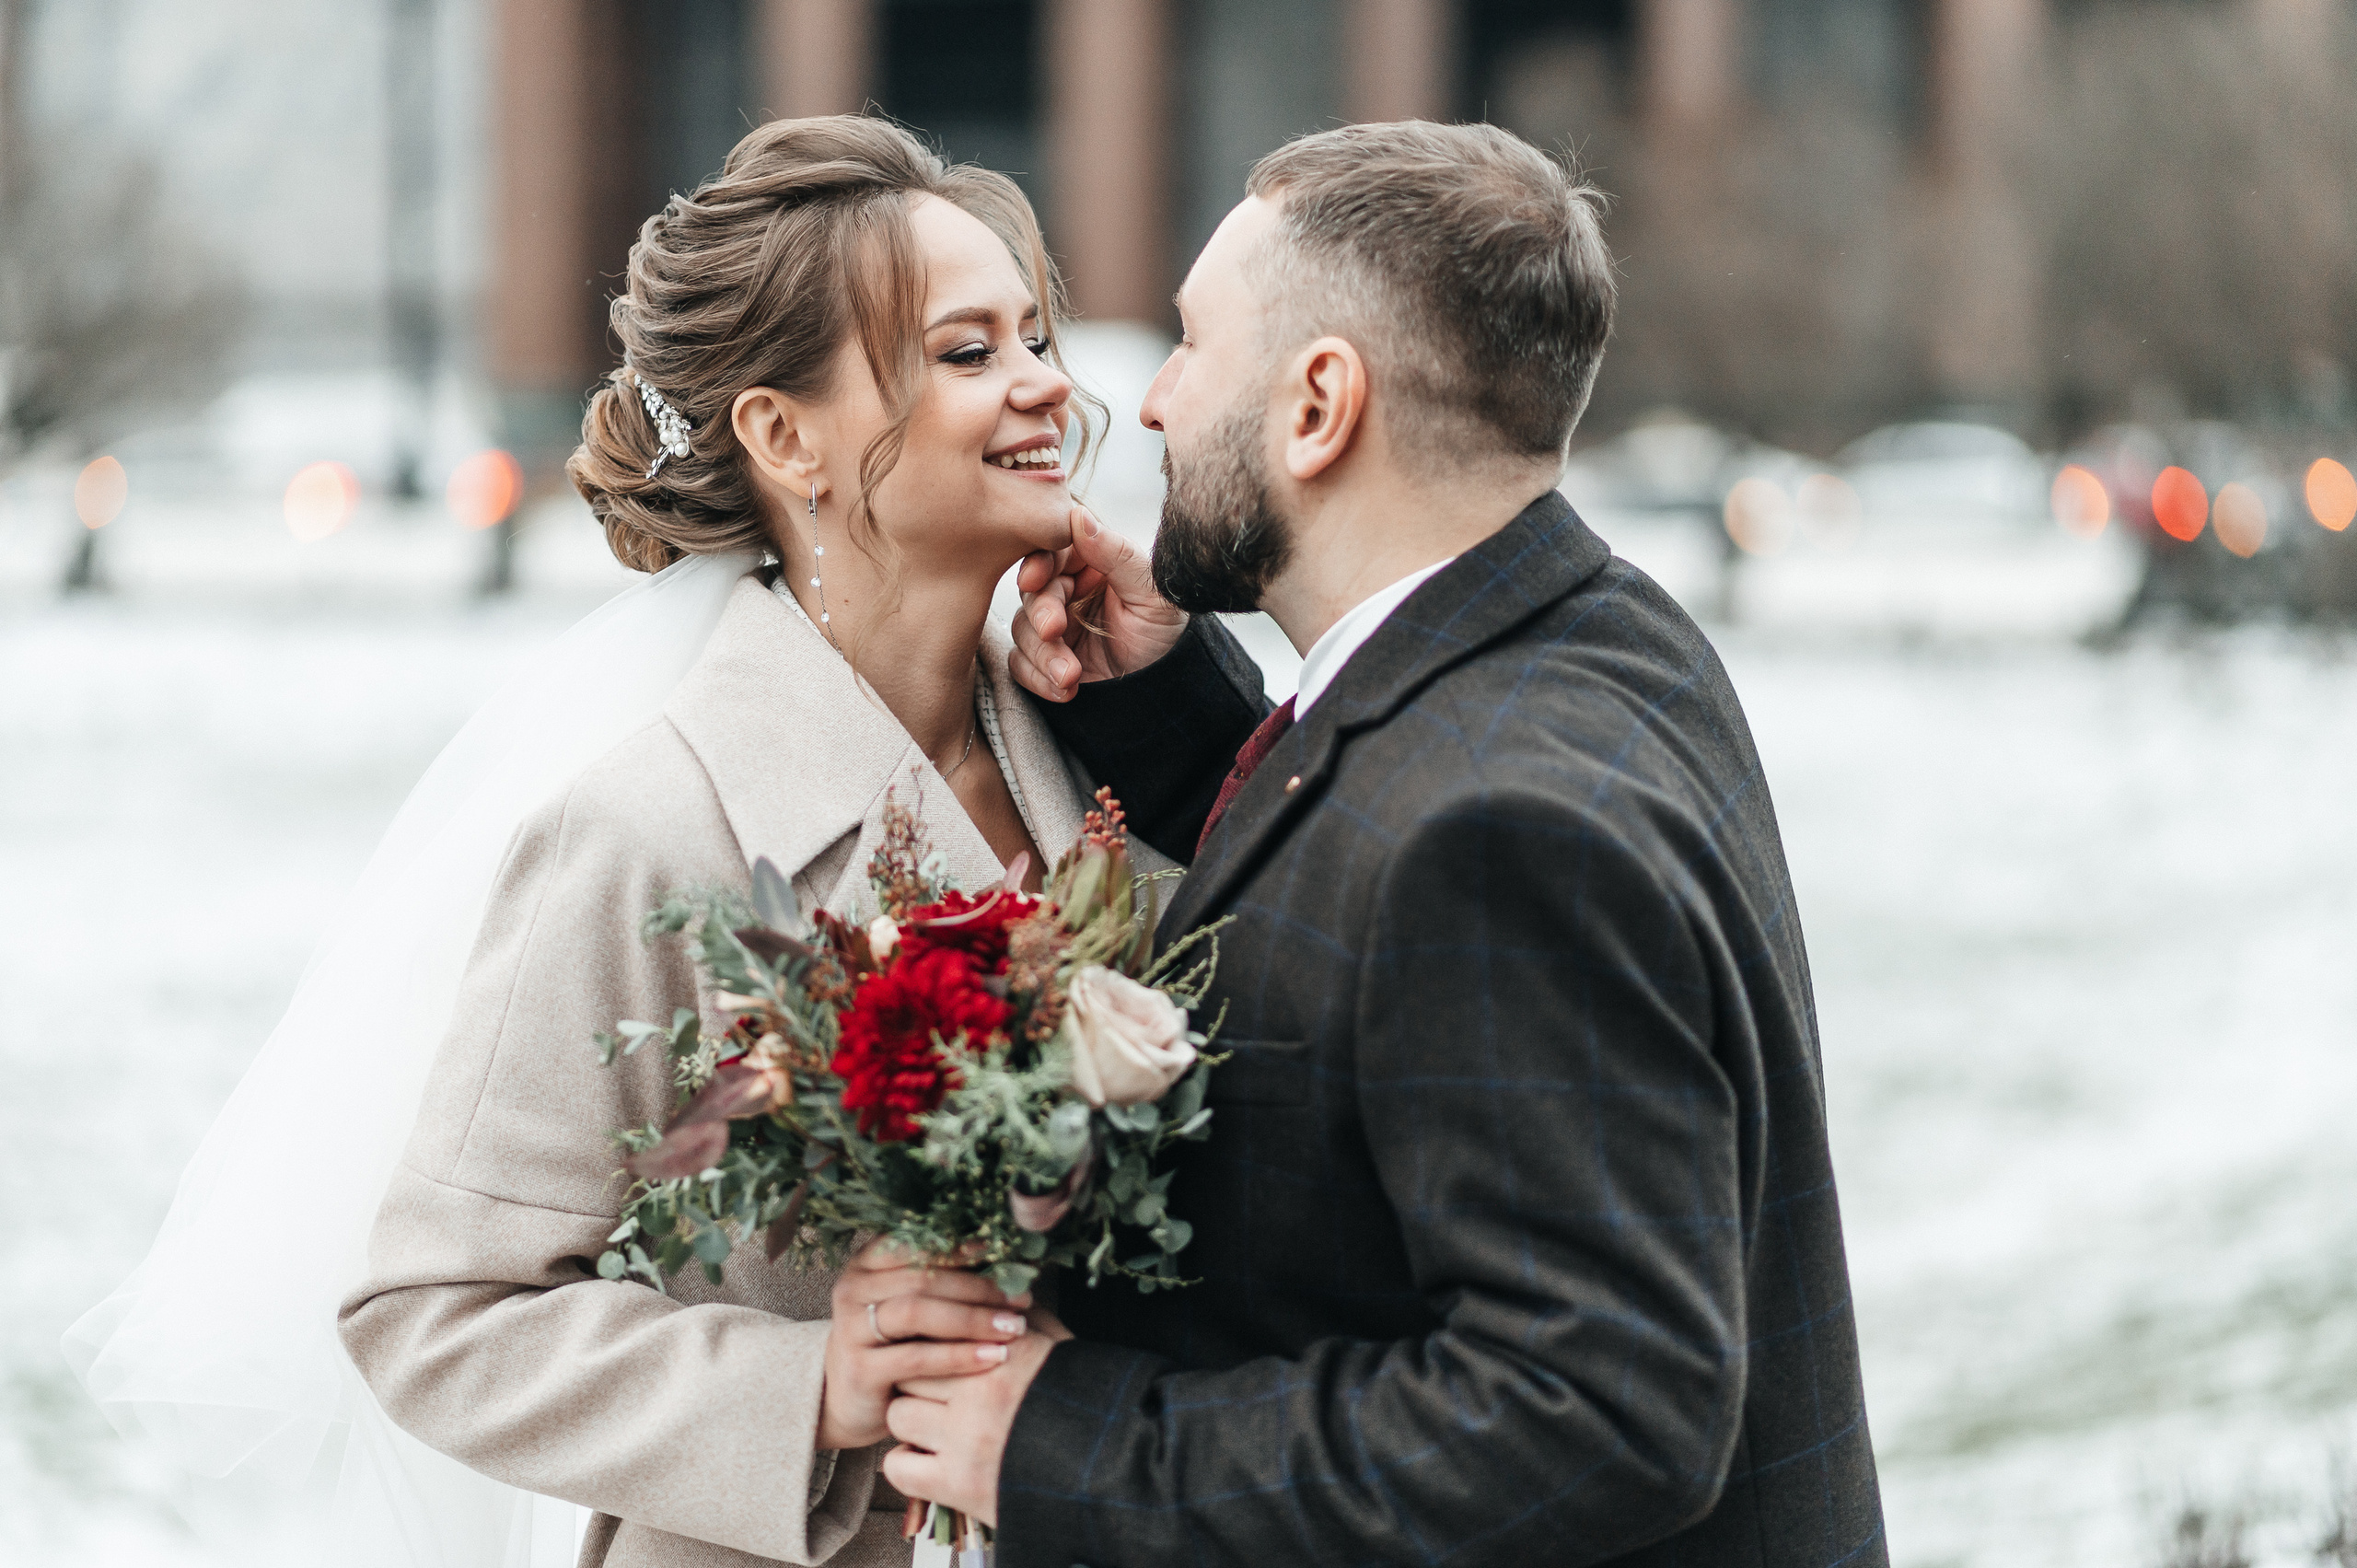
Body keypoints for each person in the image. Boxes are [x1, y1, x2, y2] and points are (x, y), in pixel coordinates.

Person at [68, 114, 1140, 1568]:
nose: (1045, 387)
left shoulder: (1106, 747)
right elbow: (433, 1315)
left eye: (1034, 335)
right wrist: (807, 1386)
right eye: (970, 352)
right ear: (781, 437)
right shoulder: (647, 829)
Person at [878, 121, 1888, 1567]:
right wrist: (1170, 702)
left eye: (1190, 345)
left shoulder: (1500, 835)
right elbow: (1364, 895)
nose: (1150, 405)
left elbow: (1598, 1412)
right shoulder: (1603, 635)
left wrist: (1065, 1444)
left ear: (1318, 404)